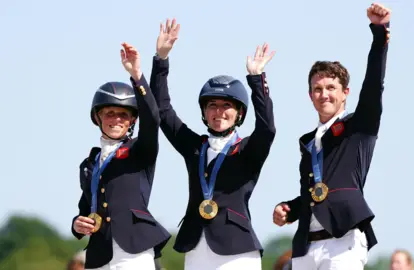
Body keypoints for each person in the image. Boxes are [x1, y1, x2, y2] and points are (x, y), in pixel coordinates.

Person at [272, 3, 391, 269]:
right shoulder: (308, 142)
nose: (324, 94)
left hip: (343, 241)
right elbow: (315, 194)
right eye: (317, 88)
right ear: (309, 95)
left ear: (345, 93)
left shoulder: (359, 127)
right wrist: (290, 208)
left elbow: (374, 85)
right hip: (305, 245)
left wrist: (380, 33)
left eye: (331, 87)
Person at [150, 18, 276, 269]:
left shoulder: (248, 150)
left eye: (226, 106)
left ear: (239, 113)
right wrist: (161, 60)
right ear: (204, 112)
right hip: (196, 245)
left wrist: (256, 79)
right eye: (212, 106)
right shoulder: (194, 147)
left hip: (237, 249)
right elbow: (162, 111)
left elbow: (267, 128)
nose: (219, 112)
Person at [71, 42, 170, 269]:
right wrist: (77, 224)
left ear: (132, 120)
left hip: (133, 253)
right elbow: (85, 209)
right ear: (98, 118)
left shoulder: (140, 150)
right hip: (98, 254)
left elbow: (153, 119)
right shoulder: (89, 164)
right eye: (110, 113)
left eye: (123, 114)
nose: (116, 119)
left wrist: (137, 76)